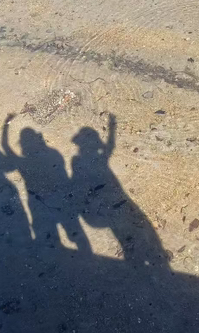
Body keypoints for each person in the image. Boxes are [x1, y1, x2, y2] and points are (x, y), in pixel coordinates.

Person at [70, 114, 166, 266]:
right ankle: (148, 258)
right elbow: (110, 147)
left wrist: (112, 127)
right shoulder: (91, 159)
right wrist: (112, 127)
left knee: (122, 226)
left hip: (92, 216)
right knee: (137, 224)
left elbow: (108, 148)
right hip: (101, 213)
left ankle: (133, 257)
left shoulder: (78, 161)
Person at [1, 114, 90, 253]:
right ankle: (89, 255)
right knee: (75, 230)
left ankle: (57, 256)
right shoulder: (54, 154)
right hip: (63, 198)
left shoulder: (22, 163)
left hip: (38, 204)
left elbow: (5, 147)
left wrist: (5, 126)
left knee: (45, 235)